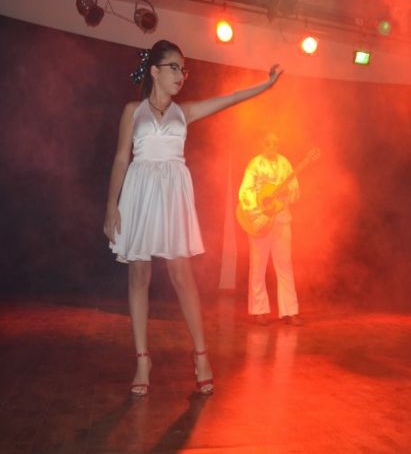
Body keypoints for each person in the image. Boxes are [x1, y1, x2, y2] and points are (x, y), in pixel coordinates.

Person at [103, 40, 282, 396]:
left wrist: (267, 84)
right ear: (155, 70)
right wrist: (111, 205)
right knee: (138, 275)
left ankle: (201, 356)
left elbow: (231, 98)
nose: (181, 75)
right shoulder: (132, 111)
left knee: (181, 274)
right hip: (139, 194)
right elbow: (122, 158)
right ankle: (142, 360)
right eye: (174, 67)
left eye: (183, 70)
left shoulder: (184, 113)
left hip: (171, 197)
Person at [238, 133, 302, 326]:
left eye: (275, 143)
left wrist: (288, 192)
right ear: (261, 144)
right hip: (260, 220)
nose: (272, 146)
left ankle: (290, 311)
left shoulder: (285, 163)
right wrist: (258, 214)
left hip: (282, 220)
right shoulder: (254, 164)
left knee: (285, 265)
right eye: (268, 143)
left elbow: (296, 190)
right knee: (258, 266)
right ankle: (258, 310)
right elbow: (245, 192)